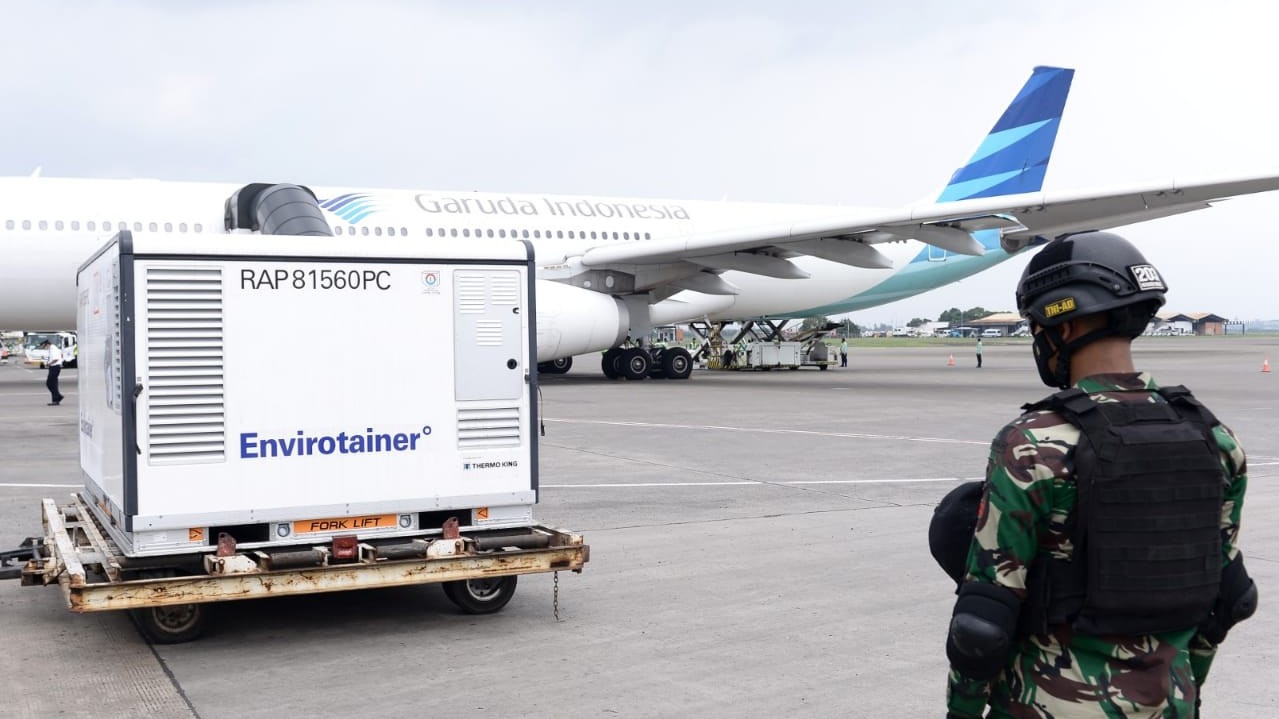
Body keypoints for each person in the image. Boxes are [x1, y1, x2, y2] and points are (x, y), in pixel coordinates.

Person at [941, 232, 1256, 719]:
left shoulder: (1033, 443)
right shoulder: (1214, 438)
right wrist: (1187, 688)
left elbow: (983, 620)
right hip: (1172, 699)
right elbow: (1228, 598)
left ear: (1063, 328)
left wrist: (961, 711)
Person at [44, 340, 65, 406]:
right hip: (54, 367)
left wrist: (49, 364)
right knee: (53, 384)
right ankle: (56, 398)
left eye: (44, 346)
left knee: (50, 383)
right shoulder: (52, 348)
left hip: (55, 367)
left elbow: (55, 359)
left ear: (47, 344)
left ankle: (57, 397)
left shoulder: (53, 349)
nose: (45, 348)